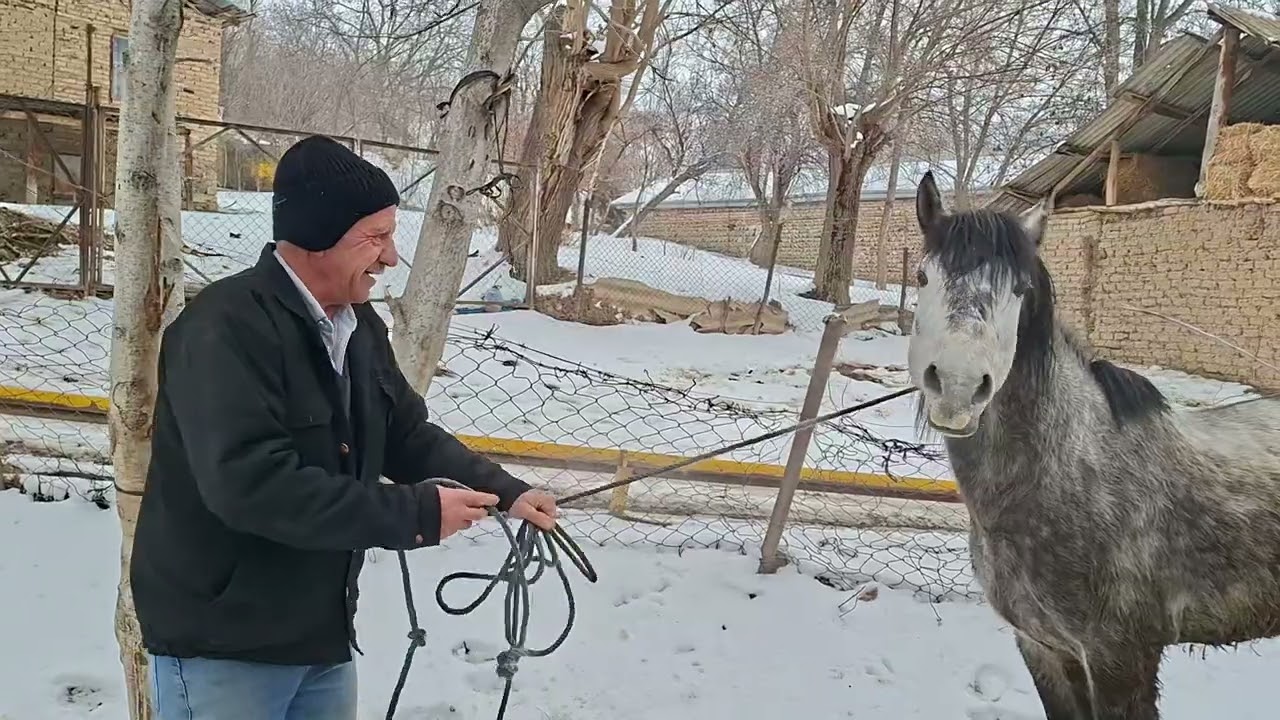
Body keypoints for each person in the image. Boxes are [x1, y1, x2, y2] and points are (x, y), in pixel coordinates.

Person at [128, 135, 559, 719]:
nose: (390, 257)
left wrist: (508, 492)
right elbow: (251, 485)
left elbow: (405, 434)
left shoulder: (356, 324)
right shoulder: (224, 330)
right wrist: (414, 514)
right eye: (375, 238)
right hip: (223, 645)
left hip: (319, 636)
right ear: (315, 237)